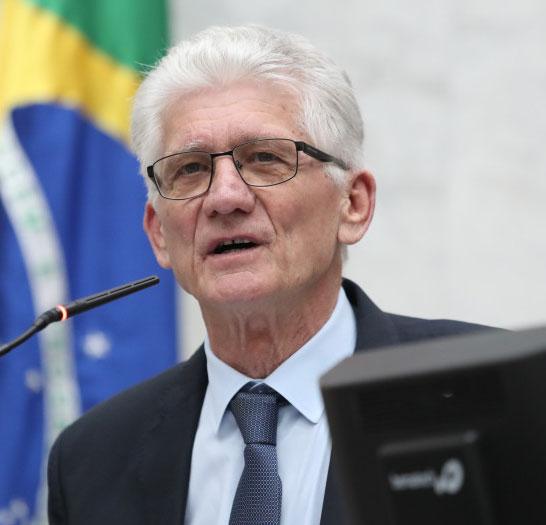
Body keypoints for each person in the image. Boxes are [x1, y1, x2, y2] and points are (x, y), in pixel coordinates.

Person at [47, 25, 486, 525]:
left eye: (264, 159)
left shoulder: (487, 392)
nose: (225, 198)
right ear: (159, 233)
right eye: (190, 169)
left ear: (353, 204)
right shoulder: (91, 460)